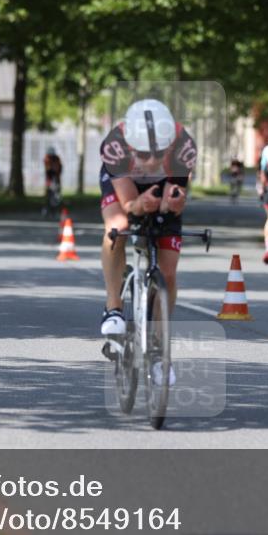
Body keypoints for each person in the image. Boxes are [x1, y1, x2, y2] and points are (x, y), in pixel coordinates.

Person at [98, 99, 196, 382]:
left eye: (158, 153)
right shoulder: (114, 146)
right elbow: (128, 204)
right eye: (143, 153)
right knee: (117, 226)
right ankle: (113, 308)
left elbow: (175, 198)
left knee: (168, 272)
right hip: (126, 184)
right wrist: (139, 205)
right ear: (130, 145)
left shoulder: (183, 145)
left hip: (164, 184)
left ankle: (158, 349)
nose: (152, 160)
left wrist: (172, 205)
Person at [43, 146, 63, 215]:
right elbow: (48, 170)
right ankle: (47, 208)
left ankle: (55, 209)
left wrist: (55, 172)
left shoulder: (57, 159)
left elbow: (59, 169)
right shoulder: (47, 158)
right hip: (49, 180)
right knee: (49, 195)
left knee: (57, 195)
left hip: (56, 179)